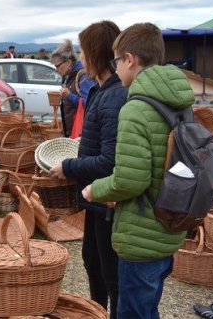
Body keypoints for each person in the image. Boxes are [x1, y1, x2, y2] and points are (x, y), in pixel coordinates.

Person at [83, 23, 195, 318]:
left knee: (133, 311)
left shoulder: (136, 108)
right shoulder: (179, 100)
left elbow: (130, 180)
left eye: (116, 61)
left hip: (141, 234)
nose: (116, 68)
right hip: (168, 225)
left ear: (130, 59)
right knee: (147, 307)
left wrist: (95, 189)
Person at [48, 20, 124, 317]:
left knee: (110, 269)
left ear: (95, 53)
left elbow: (110, 159)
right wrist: (82, 141)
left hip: (107, 197)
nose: (79, 57)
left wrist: (68, 165)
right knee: (93, 260)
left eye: (82, 50)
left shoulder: (115, 95)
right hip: (95, 198)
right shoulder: (102, 90)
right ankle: (98, 311)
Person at [50, 39, 94, 137]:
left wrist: (70, 96)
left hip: (80, 134)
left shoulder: (83, 77)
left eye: (57, 66)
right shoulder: (69, 76)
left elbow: (91, 103)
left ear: (69, 62)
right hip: (73, 132)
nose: (56, 70)